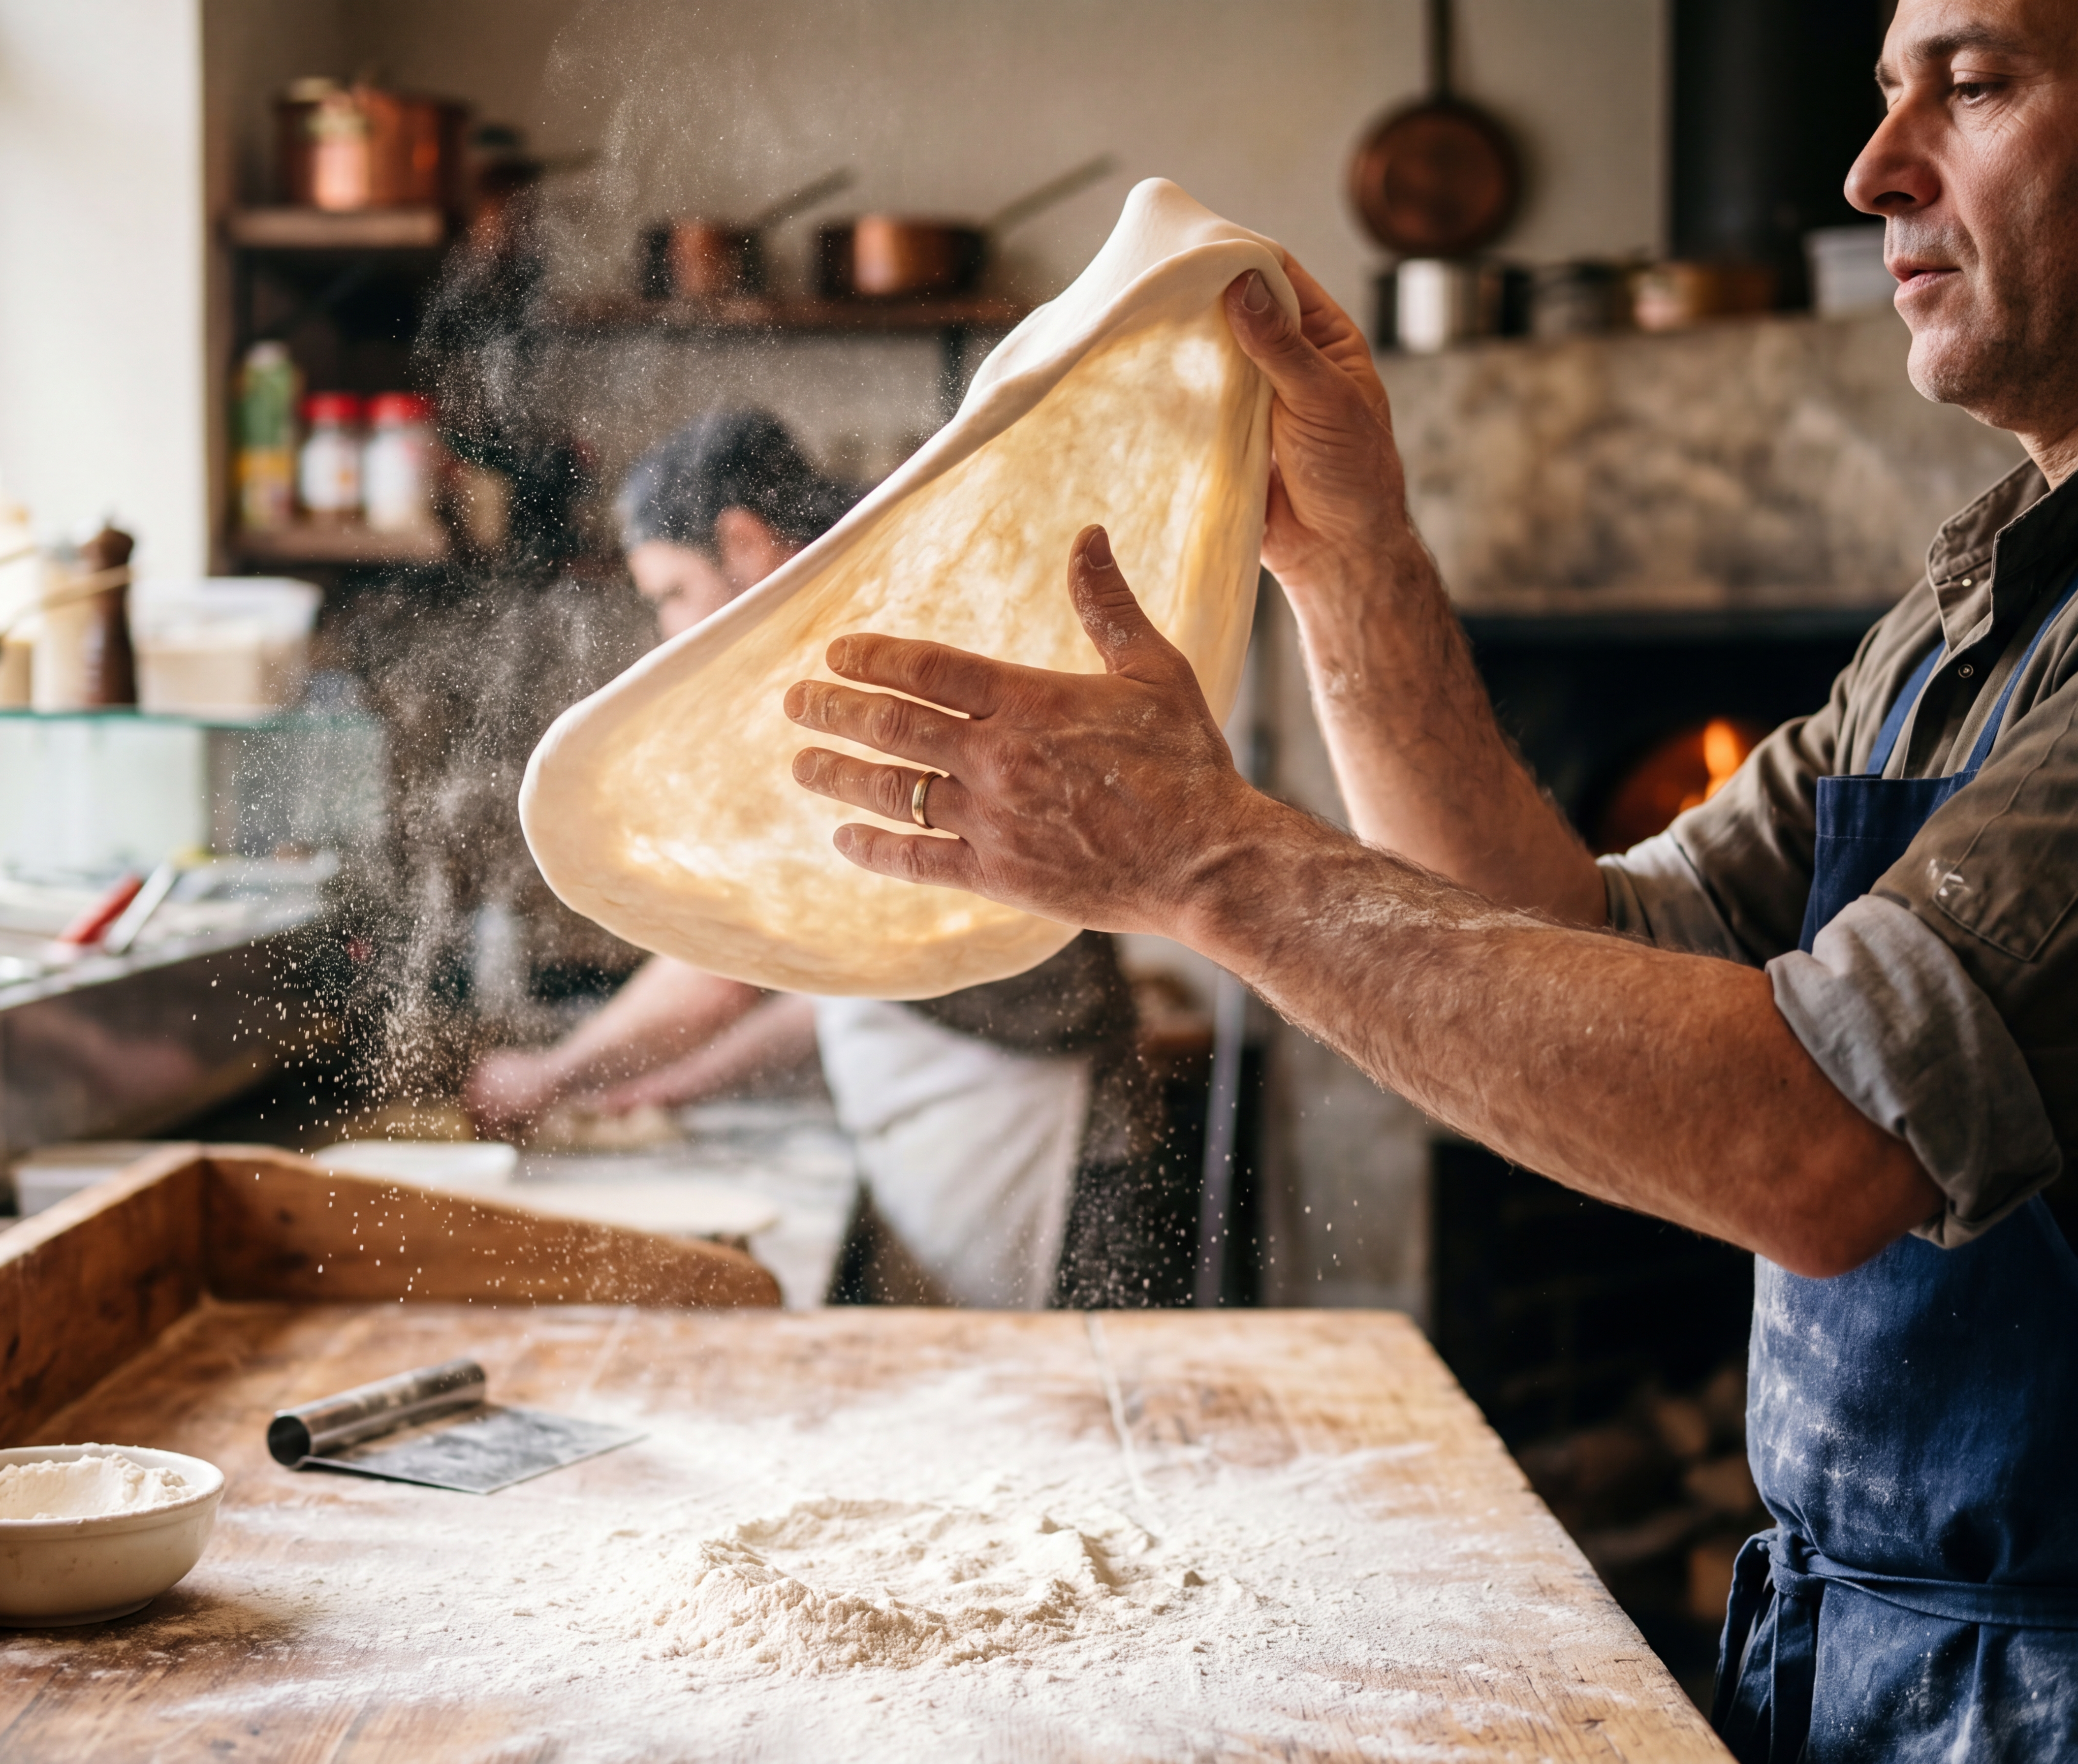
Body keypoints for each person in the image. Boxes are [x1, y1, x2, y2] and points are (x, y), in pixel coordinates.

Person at [783, 3, 2078, 1755]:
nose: (1873, 170)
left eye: (1978, 85)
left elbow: (1815, 1141)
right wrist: (1349, 553)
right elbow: (1575, 946)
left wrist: (1204, 854)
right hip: (1864, 1650)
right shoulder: (1963, 622)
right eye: (1883, 92)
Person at [467, 408, 1190, 1309]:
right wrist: (677, 1083)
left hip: (1037, 1116)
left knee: (1065, 1410)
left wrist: (550, 1076)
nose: (668, 631)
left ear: (743, 543)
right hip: (971, 1109)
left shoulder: (860, 664)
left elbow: (720, 976)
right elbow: (841, 978)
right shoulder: (847, 637)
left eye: (672, 592)